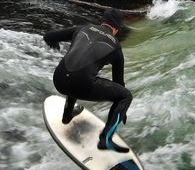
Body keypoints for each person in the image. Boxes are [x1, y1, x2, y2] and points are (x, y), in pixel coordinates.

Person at [43, 8, 133, 153]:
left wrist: (54, 43)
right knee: (126, 96)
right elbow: (118, 84)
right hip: (80, 85)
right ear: (117, 28)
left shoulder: (82, 28)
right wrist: (121, 110)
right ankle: (106, 139)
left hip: (58, 79)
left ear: (102, 21)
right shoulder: (115, 46)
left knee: (78, 74)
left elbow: (49, 36)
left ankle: (67, 115)